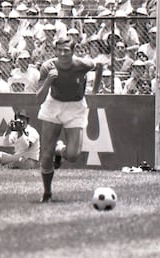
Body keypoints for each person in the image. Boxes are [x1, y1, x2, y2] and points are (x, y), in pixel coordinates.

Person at [36, 36, 102, 202]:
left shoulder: (83, 64)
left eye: (66, 50)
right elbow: (38, 98)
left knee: (73, 155)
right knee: (45, 155)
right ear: (55, 51)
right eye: (59, 50)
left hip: (76, 106)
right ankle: (47, 193)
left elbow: (99, 66)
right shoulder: (47, 66)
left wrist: (95, 90)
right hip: (53, 105)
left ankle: (60, 150)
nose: (63, 53)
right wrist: (49, 81)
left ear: (73, 51)